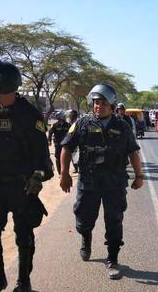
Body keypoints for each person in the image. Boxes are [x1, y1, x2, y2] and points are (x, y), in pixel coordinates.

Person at [0, 59, 54, 292]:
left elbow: (42, 156)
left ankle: (23, 283)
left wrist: (36, 179)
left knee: (24, 237)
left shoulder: (30, 115)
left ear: (3, 85)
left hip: (21, 187)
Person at [59, 83, 144, 279]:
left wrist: (139, 176)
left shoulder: (122, 126)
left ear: (112, 106)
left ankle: (112, 259)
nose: (99, 106)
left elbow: (133, 152)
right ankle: (86, 239)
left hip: (114, 184)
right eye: (96, 103)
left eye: (103, 103)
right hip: (88, 183)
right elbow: (66, 148)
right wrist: (64, 174)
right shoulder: (81, 124)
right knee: (84, 219)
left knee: (114, 221)